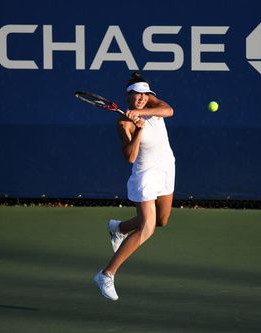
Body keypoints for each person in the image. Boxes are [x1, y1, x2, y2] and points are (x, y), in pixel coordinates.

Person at [94, 72, 175, 300]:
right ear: (128, 96)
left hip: (167, 167)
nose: (141, 98)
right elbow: (130, 157)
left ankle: (118, 228)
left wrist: (141, 113)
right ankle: (106, 274)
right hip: (145, 175)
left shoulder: (153, 104)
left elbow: (169, 111)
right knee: (146, 228)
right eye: (136, 95)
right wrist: (138, 128)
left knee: (162, 221)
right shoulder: (123, 123)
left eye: (144, 94)